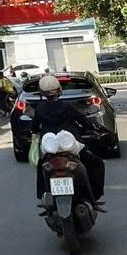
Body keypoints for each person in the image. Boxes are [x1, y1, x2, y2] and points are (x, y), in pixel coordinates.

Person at [33, 73, 105, 203]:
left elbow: (34, 128)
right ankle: (94, 197)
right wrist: (94, 129)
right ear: (59, 90)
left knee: (41, 167)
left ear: (42, 93)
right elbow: (83, 120)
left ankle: (43, 196)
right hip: (70, 146)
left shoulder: (39, 109)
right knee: (96, 163)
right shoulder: (67, 107)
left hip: (49, 150)